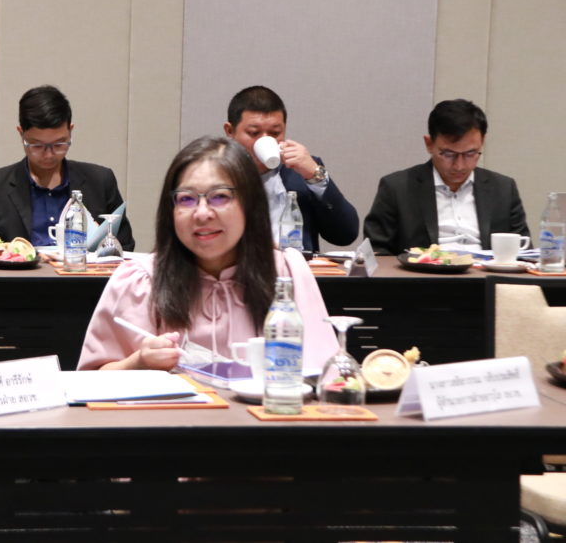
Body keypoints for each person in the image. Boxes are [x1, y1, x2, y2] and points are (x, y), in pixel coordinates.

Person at [77, 136, 337, 372]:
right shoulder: (140, 280)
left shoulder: (286, 272)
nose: (202, 213)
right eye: (186, 199)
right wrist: (138, 362)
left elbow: (326, 375)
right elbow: (91, 383)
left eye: (220, 197)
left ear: (250, 205)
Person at [0, 85, 135, 251]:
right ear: (21, 133)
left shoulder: (100, 181)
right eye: (37, 145)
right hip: (20, 270)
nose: (48, 154)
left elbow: (125, 247)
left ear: (70, 130)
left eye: (59, 144)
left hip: (82, 269)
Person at [364, 99, 529, 255]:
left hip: (487, 274)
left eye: (470, 153)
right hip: (425, 274)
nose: (459, 166)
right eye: (449, 154)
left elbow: (524, 252)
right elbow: (377, 253)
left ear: (482, 142)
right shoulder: (397, 188)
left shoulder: (503, 189)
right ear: (429, 144)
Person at [223, 85, 358, 252]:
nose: (266, 140)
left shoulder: (302, 171)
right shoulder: (213, 174)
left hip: (296, 266)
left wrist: (315, 176)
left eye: (275, 133)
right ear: (230, 131)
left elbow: (345, 235)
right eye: (253, 133)